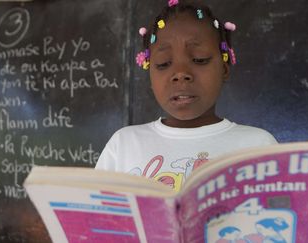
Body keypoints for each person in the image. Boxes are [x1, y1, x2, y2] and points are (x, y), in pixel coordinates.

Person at [95, 0, 277, 191]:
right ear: (150, 75)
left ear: (224, 69)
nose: (180, 73)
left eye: (199, 59)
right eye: (164, 63)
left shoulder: (259, 146)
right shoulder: (124, 144)